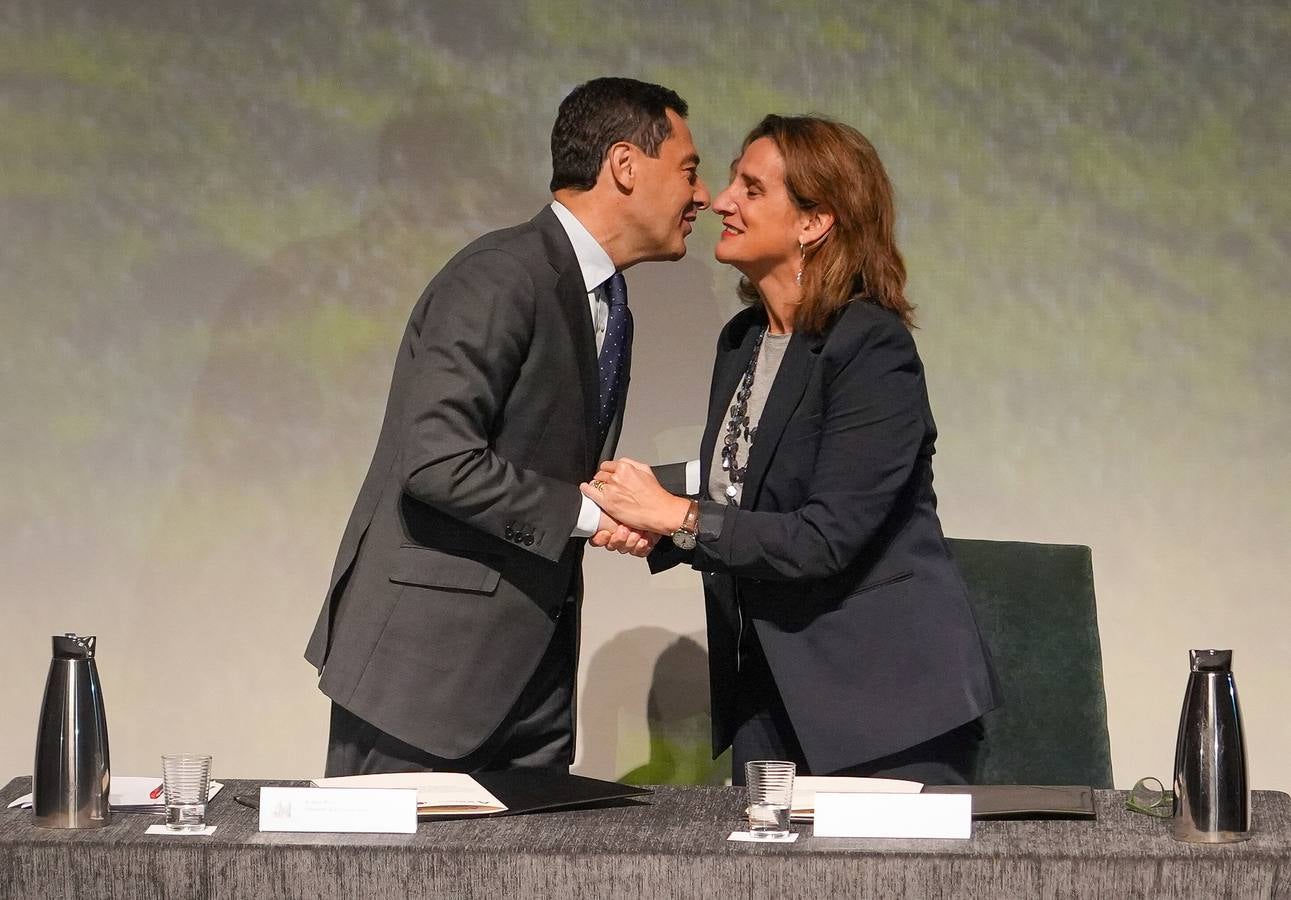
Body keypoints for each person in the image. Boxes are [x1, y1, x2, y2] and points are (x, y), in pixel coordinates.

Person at [305, 77, 710, 776]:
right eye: (689, 170)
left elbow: (557, 473)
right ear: (623, 165)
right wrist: (591, 514)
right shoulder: (499, 277)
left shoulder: (606, 299)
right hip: (424, 682)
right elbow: (436, 462)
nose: (701, 196)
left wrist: (708, 484)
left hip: (526, 684)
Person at [583, 115, 1000, 785]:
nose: (721, 201)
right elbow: (746, 488)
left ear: (813, 222)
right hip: (769, 692)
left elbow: (823, 537)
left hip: (881, 702)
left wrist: (676, 519)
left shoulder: (869, 347)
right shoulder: (741, 341)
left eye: (751, 189)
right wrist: (625, 505)